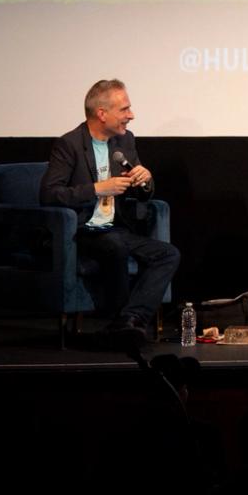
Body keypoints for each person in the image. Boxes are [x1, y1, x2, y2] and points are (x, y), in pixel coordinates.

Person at [40, 78, 180, 344]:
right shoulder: (69, 145)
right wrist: (96, 189)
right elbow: (49, 194)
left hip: (115, 228)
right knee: (113, 244)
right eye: (124, 109)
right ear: (102, 114)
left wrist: (145, 180)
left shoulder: (124, 142)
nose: (131, 115)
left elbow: (140, 192)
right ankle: (120, 321)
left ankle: (128, 320)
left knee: (168, 254)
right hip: (80, 231)